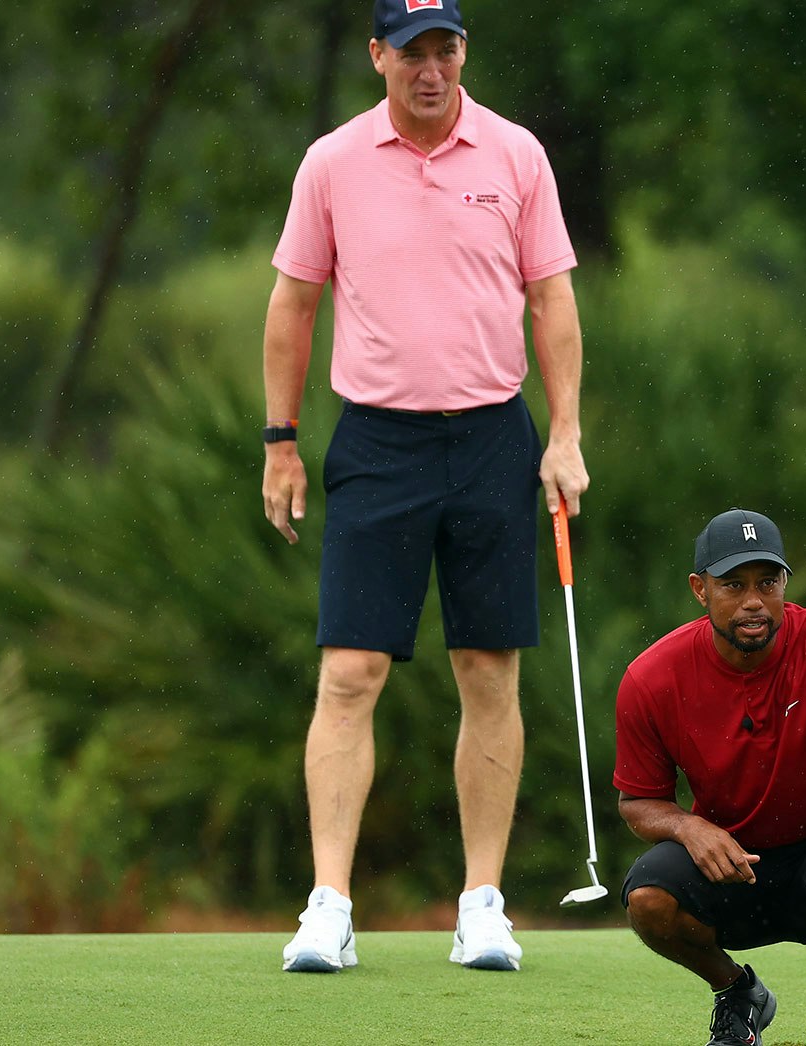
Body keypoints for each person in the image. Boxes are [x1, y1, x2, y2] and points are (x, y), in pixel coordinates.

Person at [260, 0, 588, 974]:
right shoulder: (333, 162)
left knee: (489, 670)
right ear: (379, 57)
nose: (430, 68)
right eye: (412, 52)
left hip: (492, 435)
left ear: (463, 53)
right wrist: (281, 440)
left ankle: (481, 903)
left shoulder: (517, 155)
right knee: (350, 671)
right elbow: (293, 300)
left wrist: (565, 431)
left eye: (445, 48)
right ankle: (330, 904)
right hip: (377, 441)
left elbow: (552, 296)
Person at [613, 509, 806, 1046]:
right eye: (732, 585)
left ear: (785, 583)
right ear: (700, 590)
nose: (754, 601)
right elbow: (639, 801)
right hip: (731, 861)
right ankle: (737, 992)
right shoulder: (652, 676)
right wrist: (691, 829)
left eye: (768, 582)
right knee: (647, 899)